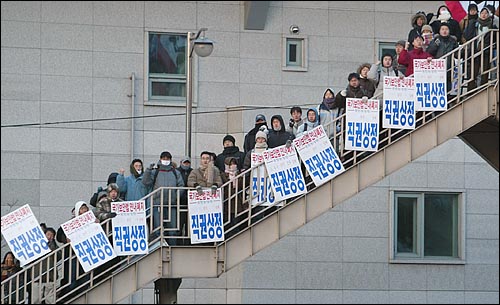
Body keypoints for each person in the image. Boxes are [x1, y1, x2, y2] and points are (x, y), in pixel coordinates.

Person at [142, 151, 185, 244]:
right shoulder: (155, 171)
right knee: (157, 229)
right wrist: (148, 170)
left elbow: (181, 186)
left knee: (173, 230)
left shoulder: (175, 172)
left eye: (167, 159)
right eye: (164, 158)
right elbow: (145, 182)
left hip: (172, 204)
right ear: (160, 159)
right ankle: (158, 247)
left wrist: (176, 196)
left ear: (170, 160)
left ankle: (172, 247)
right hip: (157, 204)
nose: (165, 160)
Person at [463, 7, 498, 91]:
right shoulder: (475, 24)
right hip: (474, 51)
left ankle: (483, 90)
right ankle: (470, 91)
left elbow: (495, 39)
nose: (484, 15)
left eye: (486, 13)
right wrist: (471, 23)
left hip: (486, 51)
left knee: (484, 72)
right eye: (482, 13)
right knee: (472, 73)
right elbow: (467, 36)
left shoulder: (492, 25)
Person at [32, 228, 59, 304]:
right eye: (48, 234)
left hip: (50, 275)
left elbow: (59, 256)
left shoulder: (54, 246)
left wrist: (52, 246)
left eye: (52, 235)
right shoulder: (36, 245)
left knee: (50, 299)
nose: (49, 236)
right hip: (37, 275)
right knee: (36, 299)